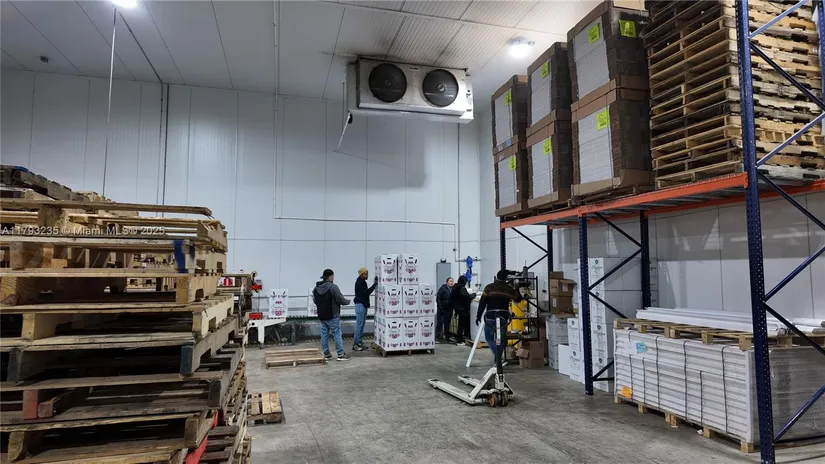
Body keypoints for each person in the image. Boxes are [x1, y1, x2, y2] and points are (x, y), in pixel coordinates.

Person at [476, 270, 523, 367]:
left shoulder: (489, 287)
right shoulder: (509, 289)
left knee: (489, 337)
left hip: (490, 316)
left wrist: (478, 315)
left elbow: (482, 302)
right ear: (506, 278)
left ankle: (496, 355)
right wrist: (517, 288)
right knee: (502, 340)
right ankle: (498, 358)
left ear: (497, 276)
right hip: (502, 317)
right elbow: (518, 299)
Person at [313, 269, 351, 361]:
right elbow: (340, 299)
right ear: (330, 277)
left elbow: (315, 301)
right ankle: (340, 354)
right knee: (337, 334)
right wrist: (348, 301)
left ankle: (326, 354)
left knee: (324, 334)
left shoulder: (316, 288)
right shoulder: (333, 287)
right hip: (333, 315)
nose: (333, 278)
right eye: (333, 276)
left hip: (322, 315)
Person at [353, 267, 377, 351]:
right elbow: (366, 293)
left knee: (361, 325)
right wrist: (374, 285)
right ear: (361, 274)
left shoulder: (362, 282)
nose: (367, 275)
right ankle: (356, 344)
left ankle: (359, 342)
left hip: (363, 305)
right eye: (366, 274)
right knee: (359, 325)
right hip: (360, 305)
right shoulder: (360, 283)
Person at [449, 275, 476, 345]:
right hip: (463, 308)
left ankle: (461, 337)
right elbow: (468, 297)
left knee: (461, 324)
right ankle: (460, 340)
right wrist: (474, 294)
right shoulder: (461, 288)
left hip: (457, 308)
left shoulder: (455, 288)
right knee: (462, 324)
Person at [435, 277, 454, 343]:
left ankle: (447, 338)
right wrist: (440, 308)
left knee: (447, 324)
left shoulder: (453, 289)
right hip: (442, 309)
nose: (451, 282)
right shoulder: (442, 288)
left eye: (452, 281)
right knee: (440, 323)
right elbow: (438, 299)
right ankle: (437, 337)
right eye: (450, 281)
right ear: (447, 282)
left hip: (449, 309)